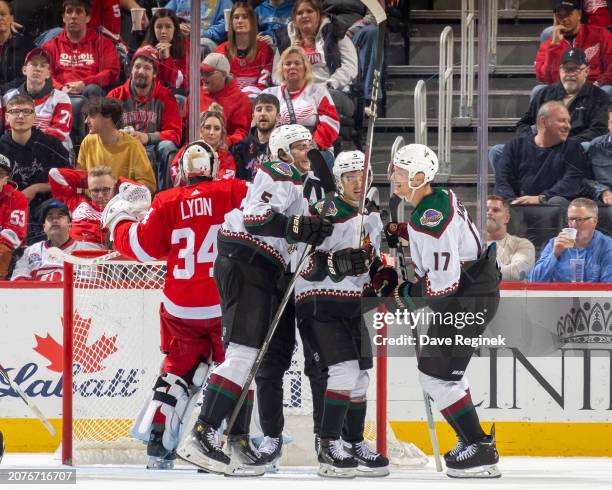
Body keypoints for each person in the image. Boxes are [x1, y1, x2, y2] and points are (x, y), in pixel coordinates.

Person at [177, 124, 333, 475]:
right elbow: (257, 217)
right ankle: (202, 432)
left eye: (310, 145)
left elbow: (294, 230)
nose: (307, 152)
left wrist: (311, 225)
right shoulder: (279, 169)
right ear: (281, 150)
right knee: (244, 355)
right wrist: (299, 227)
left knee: (248, 358)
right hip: (249, 261)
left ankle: (225, 435)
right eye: (299, 146)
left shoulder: (296, 182)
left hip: (257, 267)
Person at [102, 141, 248, 469]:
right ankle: (222, 442)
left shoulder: (166, 201)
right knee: (232, 370)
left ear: (180, 170)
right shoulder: (235, 190)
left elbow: (140, 248)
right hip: (225, 303)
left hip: (180, 306)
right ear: (212, 166)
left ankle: (158, 443)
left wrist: (119, 222)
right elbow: (270, 208)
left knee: (177, 371)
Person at [376, 143, 502, 479]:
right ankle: (474, 442)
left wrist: (401, 296)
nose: (394, 177)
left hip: (466, 297)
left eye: (401, 171)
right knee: (439, 374)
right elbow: (448, 243)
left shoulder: (428, 219)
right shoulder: (438, 198)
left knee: (435, 375)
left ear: (419, 176)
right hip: (475, 291)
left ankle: (479, 447)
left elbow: (441, 285)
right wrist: (402, 232)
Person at [293, 150, 388, 478]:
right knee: (345, 371)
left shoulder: (372, 218)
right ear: (339, 181)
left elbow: (371, 262)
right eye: (349, 177)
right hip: (320, 302)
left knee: (360, 377)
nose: (356, 183)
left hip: (354, 304)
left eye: (361, 177)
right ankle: (329, 445)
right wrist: (334, 263)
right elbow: (301, 259)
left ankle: (354, 442)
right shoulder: (326, 209)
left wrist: (382, 274)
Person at [108, 45, 182, 190]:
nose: (141, 71)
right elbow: (105, 131)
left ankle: (166, 196)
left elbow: (175, 133)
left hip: (154, 149)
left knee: (168, 147)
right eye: (137, 66)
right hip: (124, 148)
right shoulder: (115, 96)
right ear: (131, 70)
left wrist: (147, 137)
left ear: (155, 74)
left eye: (147, 68)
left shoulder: (166, 97)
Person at [0, 94, 70, 243]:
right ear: (6, 117)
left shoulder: (50, 144)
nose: (20, 116)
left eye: (26, 111)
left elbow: (68, 180)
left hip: (44, 205)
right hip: (7, 205)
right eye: (14, 111)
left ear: (34, 117)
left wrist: (36, 188)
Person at [274, 0, 358, 121]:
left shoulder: (335, 33)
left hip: (333, 91)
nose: (305, 16)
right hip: (296, 92)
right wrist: (291, 88)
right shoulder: (286, 39)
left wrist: (329, 85)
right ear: (294, 18)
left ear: (318, 14)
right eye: (300, 13)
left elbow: (350, 66)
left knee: (327, 97)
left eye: (309, 11)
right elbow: (276, 73)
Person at [494, 101, 587, 206]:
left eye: (568, 121)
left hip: (550, 206)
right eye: (562, 121)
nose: (568, 126)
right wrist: (511, 202)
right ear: (543, 122)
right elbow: (503, 179)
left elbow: (571, 183)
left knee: (557, 202)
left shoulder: (573, 148)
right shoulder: (514, 146)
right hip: (518, 206)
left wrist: (541, 198)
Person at [263, 46, 340, 168]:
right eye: (287, 64)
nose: (292, 67)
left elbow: (331, 125)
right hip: (281, 151)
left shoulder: (318, 91)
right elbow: (261, 126)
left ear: (305, 68)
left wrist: (308, 148)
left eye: (297, 63)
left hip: (315, 150)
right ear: (282, 69)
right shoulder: (269, 94)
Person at [534, 0, 612, 100]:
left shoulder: (600, 34)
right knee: (538, 90)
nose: (564, 19)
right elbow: (544, 78)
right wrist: (554, 47)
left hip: (594, 87)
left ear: (579, 14)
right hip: (562, 90)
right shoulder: (548, 45)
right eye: (560, 15)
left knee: (607, 90)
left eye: (568, 14)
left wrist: (599, 82)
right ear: (555, 18)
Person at [3, 48, 74, 156]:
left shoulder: (61, 98)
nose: (38, 69)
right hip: (13, 152)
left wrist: (27, 140)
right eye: (34, 64)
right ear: (24, 70)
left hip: (48, 152)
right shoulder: (8, 98)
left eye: (43, 65)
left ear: (48, 74)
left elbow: (60, 134)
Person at [77, 96, 156, 193]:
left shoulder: (133, 146)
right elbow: (80, 177)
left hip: (123, 204)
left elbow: (149, 185)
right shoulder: (88, 141)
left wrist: (120, 191)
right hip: (92, 204)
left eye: (92, 116)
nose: (86, 121)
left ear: (108, 116)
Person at [49, 165, 137, 246]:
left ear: (114, 187)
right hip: (72, 253)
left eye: (105, 189)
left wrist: (118, 183)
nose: (100, 195)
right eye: (95, 190)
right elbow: (54, 174)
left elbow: (142, 191)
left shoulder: (124, 208)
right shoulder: (77, 202)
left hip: (102, 256)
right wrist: (90, 179)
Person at [11, 200, 98, 281]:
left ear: (70, 225)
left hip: (74, 297)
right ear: (44, 227)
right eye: (50, 217)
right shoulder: (31, 251)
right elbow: (18, 282)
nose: (55, 220)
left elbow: (89, 286)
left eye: (60, 216)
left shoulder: (86, 251)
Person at [529, 197, 612, 282]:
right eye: (571, 219)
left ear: (594, 221)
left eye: (580, 220)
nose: (574, 225)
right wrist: (554, 254)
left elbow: (608, 287)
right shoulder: (555, 243)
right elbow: (533, 280)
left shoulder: (607, 245)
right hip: (559, 294)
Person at [215, 2, 274, 98]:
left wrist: (244, 97)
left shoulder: (265, 50)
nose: (240, 21)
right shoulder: (221, 51)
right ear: (231, 22)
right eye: (236, 17)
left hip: (254, 101)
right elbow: (217, 85)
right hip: (228, 100)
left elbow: (263, 85)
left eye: (245, 17)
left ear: (252, 21)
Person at [170, 104, 236, 186]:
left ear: (222, 134)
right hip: (188, 195)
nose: (211, 133)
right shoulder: (186, 151)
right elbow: (174, 173)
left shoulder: (227, 158)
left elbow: (225, 184)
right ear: (201, 131)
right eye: (207, 127)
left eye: (216, 129)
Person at [196, 52, 252, 148]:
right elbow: (183, 125)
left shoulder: (240, 100)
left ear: (223, 75)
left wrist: (225, 142)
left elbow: (242, 133)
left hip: (223, 152)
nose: (203, 78)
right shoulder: (196, 95)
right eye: (202, 73)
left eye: (208, 74)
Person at [232, 93, 281, 181]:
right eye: (259, 110)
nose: (263, 113)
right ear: (253, 117)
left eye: (268, 109)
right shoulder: (241, 147)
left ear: (278, 116)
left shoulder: (286, 145)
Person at [486, 195, 535, 281]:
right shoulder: (470, 244)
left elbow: (516, 273)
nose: (489, 213)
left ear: (507, 218)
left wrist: (479, 273)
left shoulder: (522, 245)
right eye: (486, 210)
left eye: (495, 210)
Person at [141, 8, 189, 94]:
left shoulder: (185, 46)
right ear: (153, 29)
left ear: (175, 28)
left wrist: (167, 59)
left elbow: (184, 83)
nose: (163, 31)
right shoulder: (146, 48)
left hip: (176, 94)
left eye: (168, 27)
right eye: (159, 27)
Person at [163, 0, 233, 52]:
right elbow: (163, 15)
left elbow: (227, 22)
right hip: (178, 35)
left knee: (201, 45)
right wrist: (176, 26)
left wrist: (201, 33)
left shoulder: (223, 1)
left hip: (205, 38)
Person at [0, 154, 28, 280]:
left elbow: (13, 236)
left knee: (3, 250)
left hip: (8, 253)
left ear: (5, 179)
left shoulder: (17, 198)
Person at [0, 0, 35, 93]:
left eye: (3, 14)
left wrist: (3, 89)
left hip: (20, 99)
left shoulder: (26, 45)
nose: (0, 18)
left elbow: (31, 75)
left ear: (11, 18)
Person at [583, 104, 612, 205]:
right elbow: (584, 179)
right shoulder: (595, 146)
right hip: (602, 200)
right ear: (609, 124)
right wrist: (603, 192)